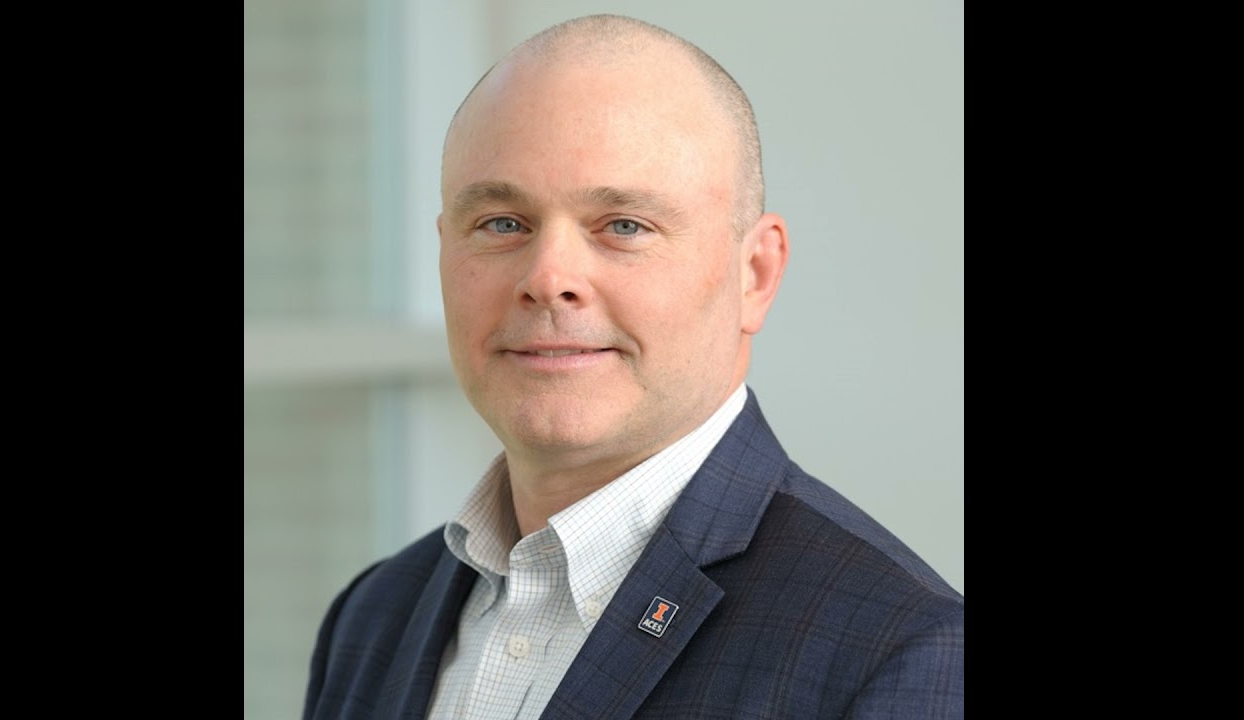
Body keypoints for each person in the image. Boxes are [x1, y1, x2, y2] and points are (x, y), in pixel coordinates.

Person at [303, 13, 963, 720]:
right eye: (502, 223)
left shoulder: (904, 651)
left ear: (755, 274)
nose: (548, 278)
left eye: (624, 226)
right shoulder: (373, 618)